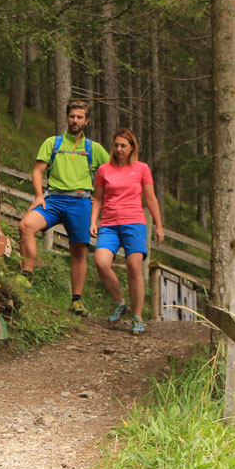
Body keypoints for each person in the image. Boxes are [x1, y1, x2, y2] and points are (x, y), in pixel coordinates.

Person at [17, 100, 111, 315]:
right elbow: (38, 171)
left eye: (79, 117)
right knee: (26, 226)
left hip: (81, 202)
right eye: (72, 116)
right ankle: (26, 277)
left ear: (86, 120)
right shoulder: (53, 143)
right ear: (67, 117)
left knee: (78, 250)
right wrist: (39, 195)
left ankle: (76, 300)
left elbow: (111, 173)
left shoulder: (93, 148)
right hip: (53, 199)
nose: (75, 120)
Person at [91, 128, 165, 335]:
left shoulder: (141, 168)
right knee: (101, 261)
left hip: (134, 223)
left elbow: (150, 198)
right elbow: (98, 198)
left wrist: (158, 226)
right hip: (109, 224)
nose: (119, 149)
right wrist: (93, 221)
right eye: (116, 145)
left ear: (132, 147)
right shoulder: (104, 169)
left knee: (134, 267)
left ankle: (137, 316)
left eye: (123, 145)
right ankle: (119, 302)